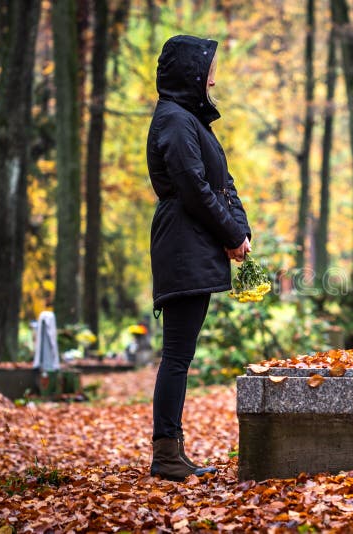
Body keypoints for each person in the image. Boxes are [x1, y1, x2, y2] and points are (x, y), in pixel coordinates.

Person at [147, 35, 251, 481]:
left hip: (195, 245)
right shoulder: (174, 120)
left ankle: (172, 452)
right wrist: (229, 234)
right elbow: (193, 186)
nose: (215, 77)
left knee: (180, 354)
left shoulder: (191, 121)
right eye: (210, 68)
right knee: (177, 356)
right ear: (192, 71)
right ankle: (166, 454)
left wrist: (240, 230)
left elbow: (223, 183)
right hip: (183, 246)